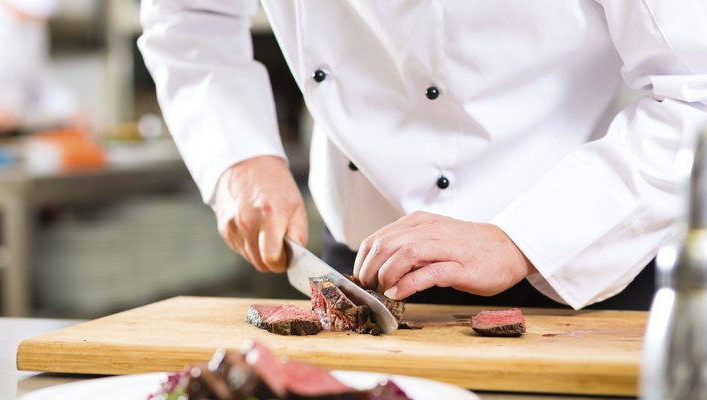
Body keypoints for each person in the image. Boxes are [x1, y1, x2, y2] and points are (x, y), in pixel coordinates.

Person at [138, 1, 707, 310]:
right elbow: (190, 17)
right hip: (361, 267)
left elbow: (696, 94)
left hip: (584, 259)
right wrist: (239, 154)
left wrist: (523, 238)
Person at [0, 0, 86, 137]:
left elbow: (40, 80)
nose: (41, 22)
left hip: (8, 131)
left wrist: (70, 109)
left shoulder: (33, 26)